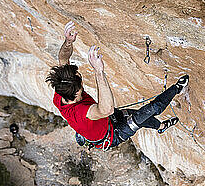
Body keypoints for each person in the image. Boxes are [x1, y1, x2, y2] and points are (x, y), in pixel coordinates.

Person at [46, 22, 189, 150]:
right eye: (81, 84)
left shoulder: (62, 90)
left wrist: (68, 42)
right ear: (77, 93)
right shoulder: (81, 114)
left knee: (139, 117)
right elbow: (106, 109)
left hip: (107, 121)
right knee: (150, 110)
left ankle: (161, 126)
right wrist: (99, 71)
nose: (81, 81)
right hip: (114, 135)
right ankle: (177, 88)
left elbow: (63, 58)